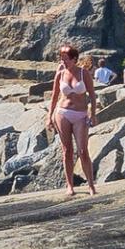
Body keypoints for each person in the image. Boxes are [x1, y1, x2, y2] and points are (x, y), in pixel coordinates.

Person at [49, 41, 100, 190]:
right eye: (61, 59)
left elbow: (92, 95)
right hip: (62, 113)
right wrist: (49, 117)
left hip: (80, 115)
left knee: (83, 151)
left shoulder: (84, 73)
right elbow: (54, 96)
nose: (63, 62)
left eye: (66, 59)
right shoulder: (60, 74)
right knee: (67, 151)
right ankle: (70, 186)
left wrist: (93, 114)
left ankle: (91, 186)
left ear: (74, 59)